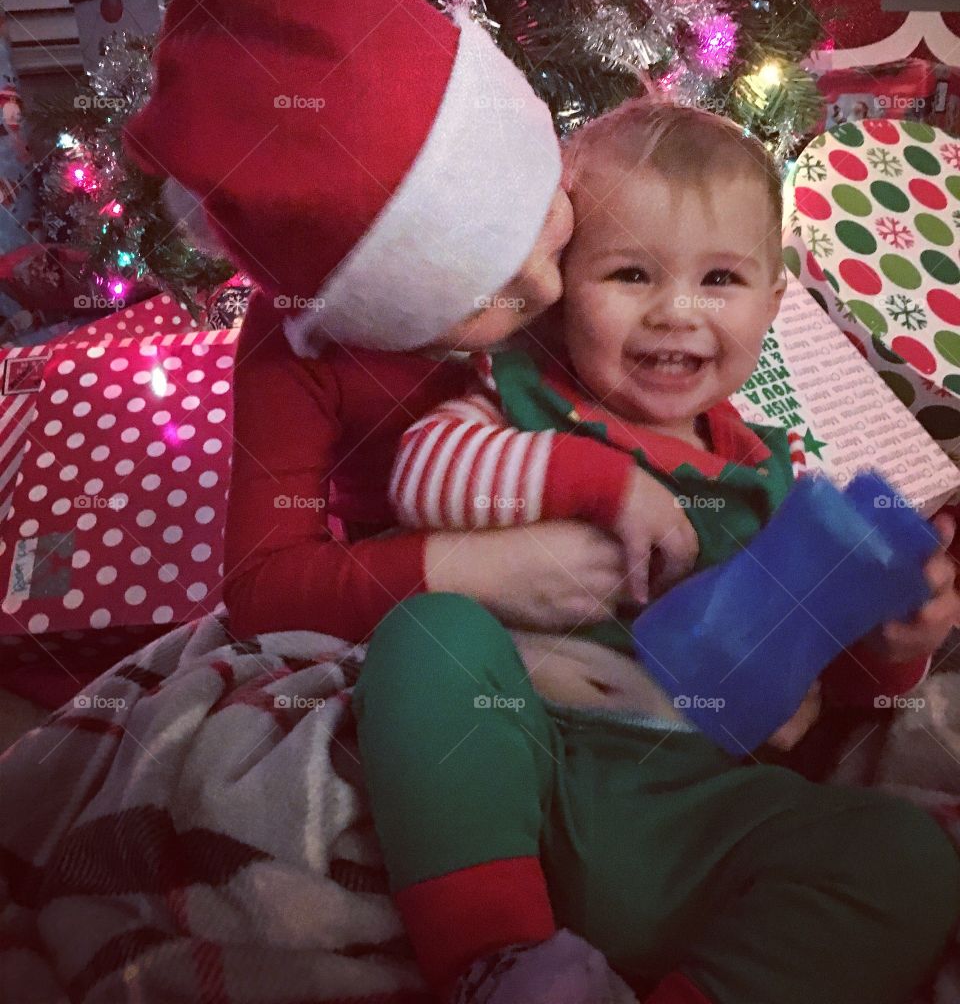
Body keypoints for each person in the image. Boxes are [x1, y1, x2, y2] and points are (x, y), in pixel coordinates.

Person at [353, 99, 960, 1004]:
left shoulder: (775, 485)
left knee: (904, 853)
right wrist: (599, 484)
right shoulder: (523, 395)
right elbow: (420, 474)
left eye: (720, 279)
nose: (677, 313)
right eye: (631, 273)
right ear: (562, 290)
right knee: (427, 635)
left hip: (689, 815)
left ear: (773, 300)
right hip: (510, 758)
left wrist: (894, 653)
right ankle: (498, 961)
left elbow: (831, 701)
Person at [121, 0, 697, 646]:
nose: (551, 294)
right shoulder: (295, 351)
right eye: (487, 298)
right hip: (434, 604)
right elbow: (262, 587)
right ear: (370, 313)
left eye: (548, 224)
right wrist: (468, 571)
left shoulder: (588, 196)